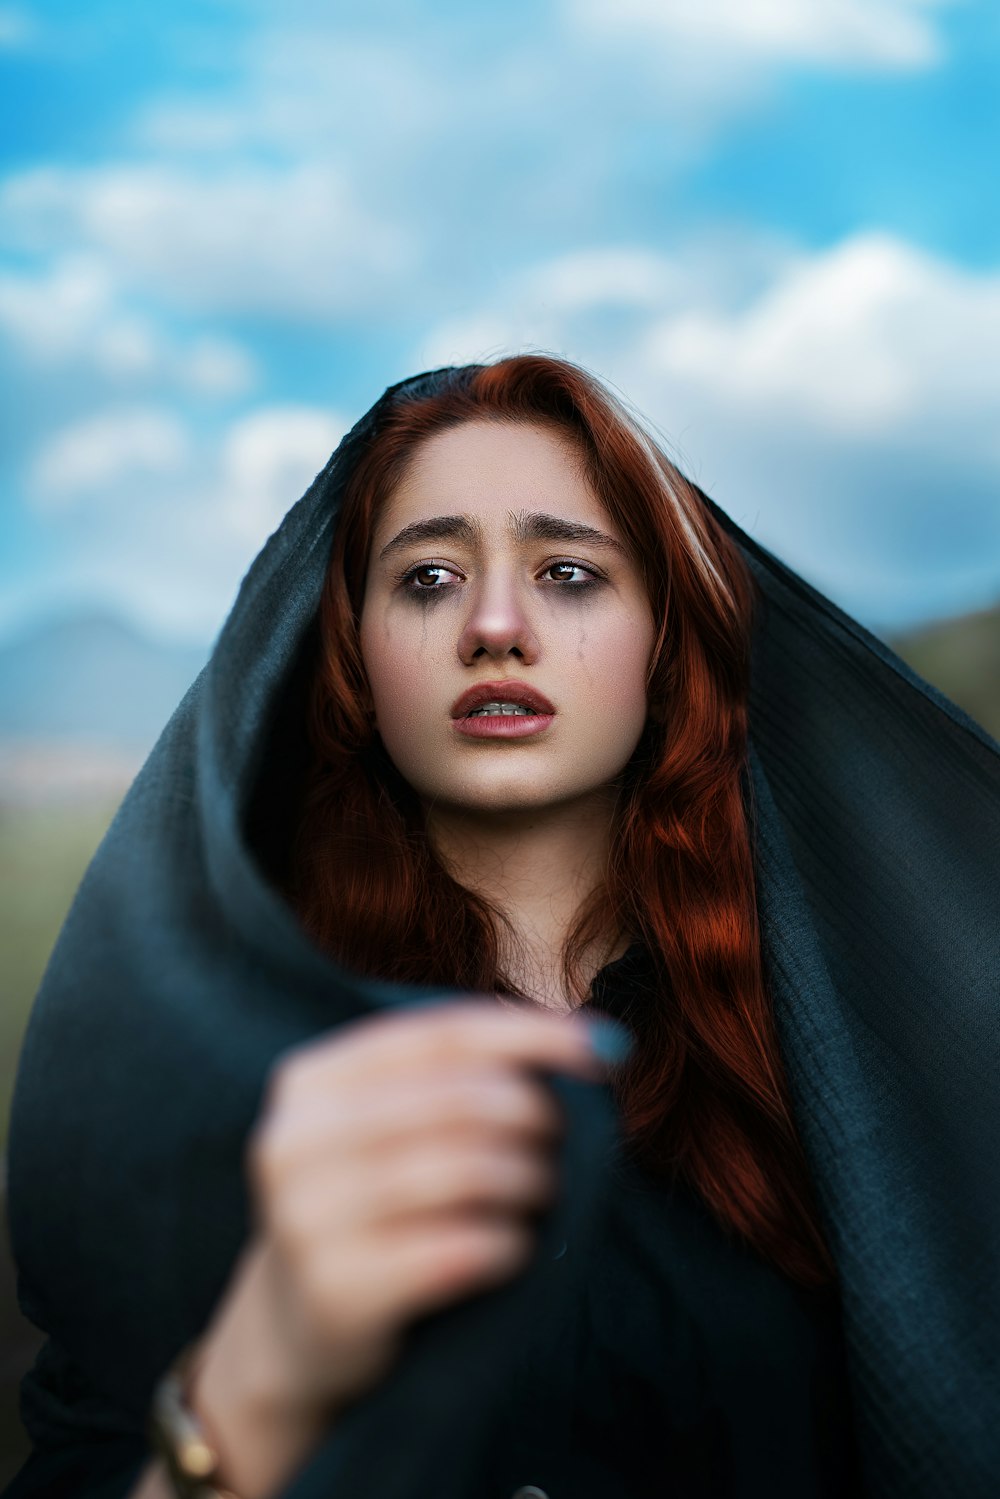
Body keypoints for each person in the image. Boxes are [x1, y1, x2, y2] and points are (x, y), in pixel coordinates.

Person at [3, 357, 998, 1499]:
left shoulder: (849, 1067)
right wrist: (259, 1380)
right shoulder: (221, 1083)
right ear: (350, 652)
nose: (492, 625)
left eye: (568, 571)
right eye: (426, 576)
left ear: (664, 643)